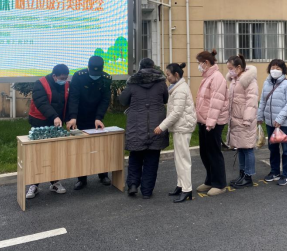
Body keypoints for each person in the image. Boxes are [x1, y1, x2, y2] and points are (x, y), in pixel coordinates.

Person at [120, 58, 169, 199]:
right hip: (156, 125)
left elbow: (123, 100)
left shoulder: (132, 82)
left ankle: (133, 185)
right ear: (153, 67)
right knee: (152, 159)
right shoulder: (161, 83)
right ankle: (147, 191)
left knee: (135, 156)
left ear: (140, 68)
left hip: (136, 125)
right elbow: (165, 99)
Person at [67, 56, 112, 190]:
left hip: (96, 118)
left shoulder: (106, 78)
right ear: (88, 68)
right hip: (80, 117)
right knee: (81, 148)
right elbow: (74, 97)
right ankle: (81, 179)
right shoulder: (79, 76)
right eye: (93, 72)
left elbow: (105, 99)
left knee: (100, 147)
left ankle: (103, 175)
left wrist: (99, 117)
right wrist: (73, 116)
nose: (95, 75)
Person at [26, 64, 70, 199]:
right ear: (54, 76)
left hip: (56, 123)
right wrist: (54, 116)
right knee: (38, 154)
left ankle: (55, 182)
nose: (64, 81)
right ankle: (34, 185)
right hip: (40, 122)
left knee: (54, 153)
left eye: (66, 78)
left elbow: (67, 103)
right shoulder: (40, 84)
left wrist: (68, 119)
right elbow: (42, 102)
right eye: (62, 78)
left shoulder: (66, 85)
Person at [154, 63, 196, 203]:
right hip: (180, 127)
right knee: (179, 159)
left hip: (183, 127)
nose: (167, 78)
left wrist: (162, 126)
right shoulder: (177, 87)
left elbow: (176, 112)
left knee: (183, 159)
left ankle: (187, 189)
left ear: (176, 75)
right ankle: (181, 185)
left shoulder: (180, 90)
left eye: (169, 75)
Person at [257, 59, 287, 186]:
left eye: (278, 68)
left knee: (286, 150)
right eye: (273, 67)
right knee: (273, 149)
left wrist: (280, 119)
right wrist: (259, 116)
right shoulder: (266, 83)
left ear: (283, 70)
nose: (275, 70)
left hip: (285, 124)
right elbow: (263, 101)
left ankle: (286, 175)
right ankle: (274, 172)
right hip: (270, 123)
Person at [195, 49, 229, 197]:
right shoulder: (207, 77)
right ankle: (210, 180)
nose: (199, 66)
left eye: (199, 63)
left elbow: (216, 102)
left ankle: (219, 184)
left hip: (213, 122)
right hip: (204, 121)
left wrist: (210, 122)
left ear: (206, 63)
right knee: (205, 152)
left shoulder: (217, 77)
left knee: (214, 153)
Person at [226, 55, 259, 189]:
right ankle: (242, 174)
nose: (230, 71)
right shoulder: (235, 80)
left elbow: (251, 101)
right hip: (236, 119)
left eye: (231, 68)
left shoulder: (249, 80)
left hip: (245, 120)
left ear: (239, 67)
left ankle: (248, 176)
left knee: (247, 148)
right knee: (240, 148)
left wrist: (247, 119)